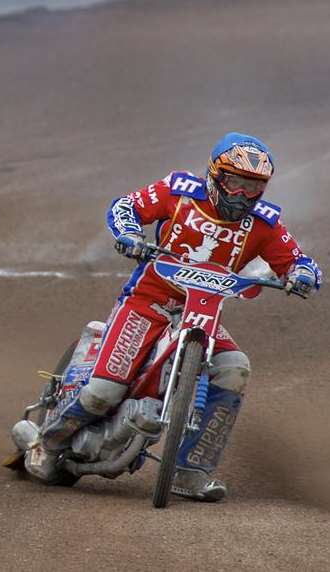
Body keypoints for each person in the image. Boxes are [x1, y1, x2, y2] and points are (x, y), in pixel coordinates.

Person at [35, 132, 322, 501]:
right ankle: (47, 443)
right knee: (103, 392)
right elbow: (126, 207)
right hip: (148, 301)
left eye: (253, 187)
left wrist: (301, 275)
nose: (242, 195)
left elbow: (300, 260)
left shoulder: (264, 223)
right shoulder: (179, 191)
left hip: (204, 314)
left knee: (235, 367)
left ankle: (190, 471)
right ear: (215, 175)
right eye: (235, 183)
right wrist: (127, 234)